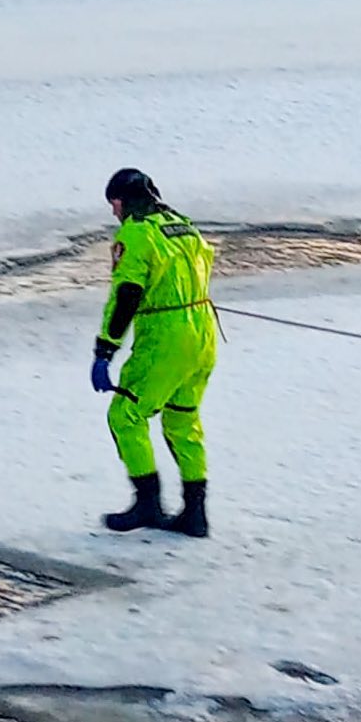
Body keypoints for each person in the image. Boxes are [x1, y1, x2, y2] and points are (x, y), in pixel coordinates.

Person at [89, 168, 217, 538]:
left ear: (121, 201)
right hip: (203, 332)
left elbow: (127, 294)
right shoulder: (184, 225)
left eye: (113, 204)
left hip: (165, 339)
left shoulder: (135, 233)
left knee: (126, 414)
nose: (113, 213)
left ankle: (147, 502)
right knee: (182, 420)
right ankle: (195, 513)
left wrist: (105, 350)